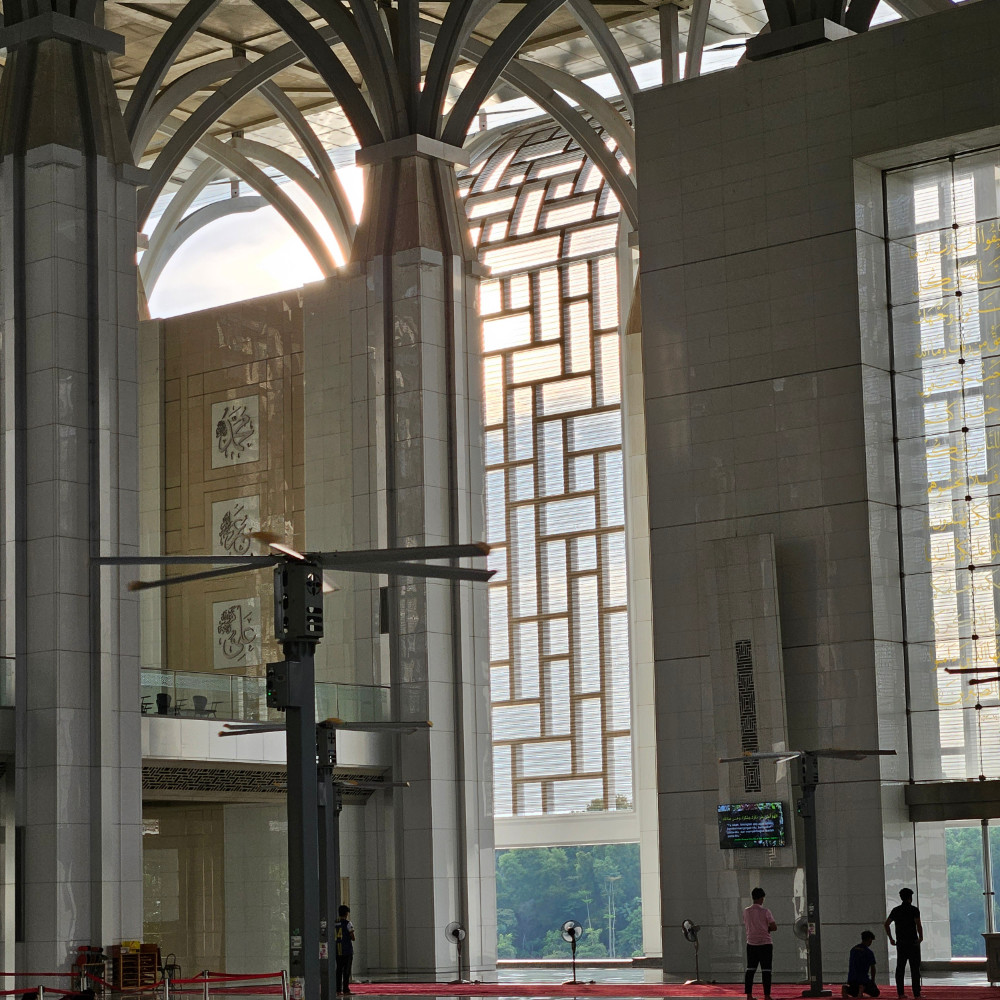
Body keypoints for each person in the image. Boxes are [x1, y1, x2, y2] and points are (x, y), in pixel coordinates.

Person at [884, 887, 922, 998]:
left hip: (901, 943)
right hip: (913, 943)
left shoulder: (896, 910)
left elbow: (886, 924)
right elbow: (918, 925)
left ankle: (900, 993)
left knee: (900, 968)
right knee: (915, 969)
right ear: (910, 897)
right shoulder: (914, 910)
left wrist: (891, 938)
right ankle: (917, 994)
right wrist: (920, 937)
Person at [743, 886, 777, 1000]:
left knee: (750, 970)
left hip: (751, 944)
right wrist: (766, 928)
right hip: (765, 944)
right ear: (761, 898)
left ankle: (749, 995)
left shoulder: (746, 911)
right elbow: (774, 927)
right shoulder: (765, 911)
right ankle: (767, 995)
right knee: (766, 970)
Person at [843, 930, 880, 997]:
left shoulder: (853, 950)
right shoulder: (868, 952)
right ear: (869, 939)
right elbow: (873, 968)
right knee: (876, 993)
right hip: (863, 979)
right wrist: (873, 981)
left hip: (851, 979)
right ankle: (862, 988)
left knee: (854, 993)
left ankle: (847, 989)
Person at [335, 903, 356, 997]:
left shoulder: (335, 923)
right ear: (346, 913)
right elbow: (352, 937)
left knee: (339, 970)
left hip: (338, 949)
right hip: (347, 950)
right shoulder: (348, 923)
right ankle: (346, 989)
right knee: (346, 971)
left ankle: (338, 989)